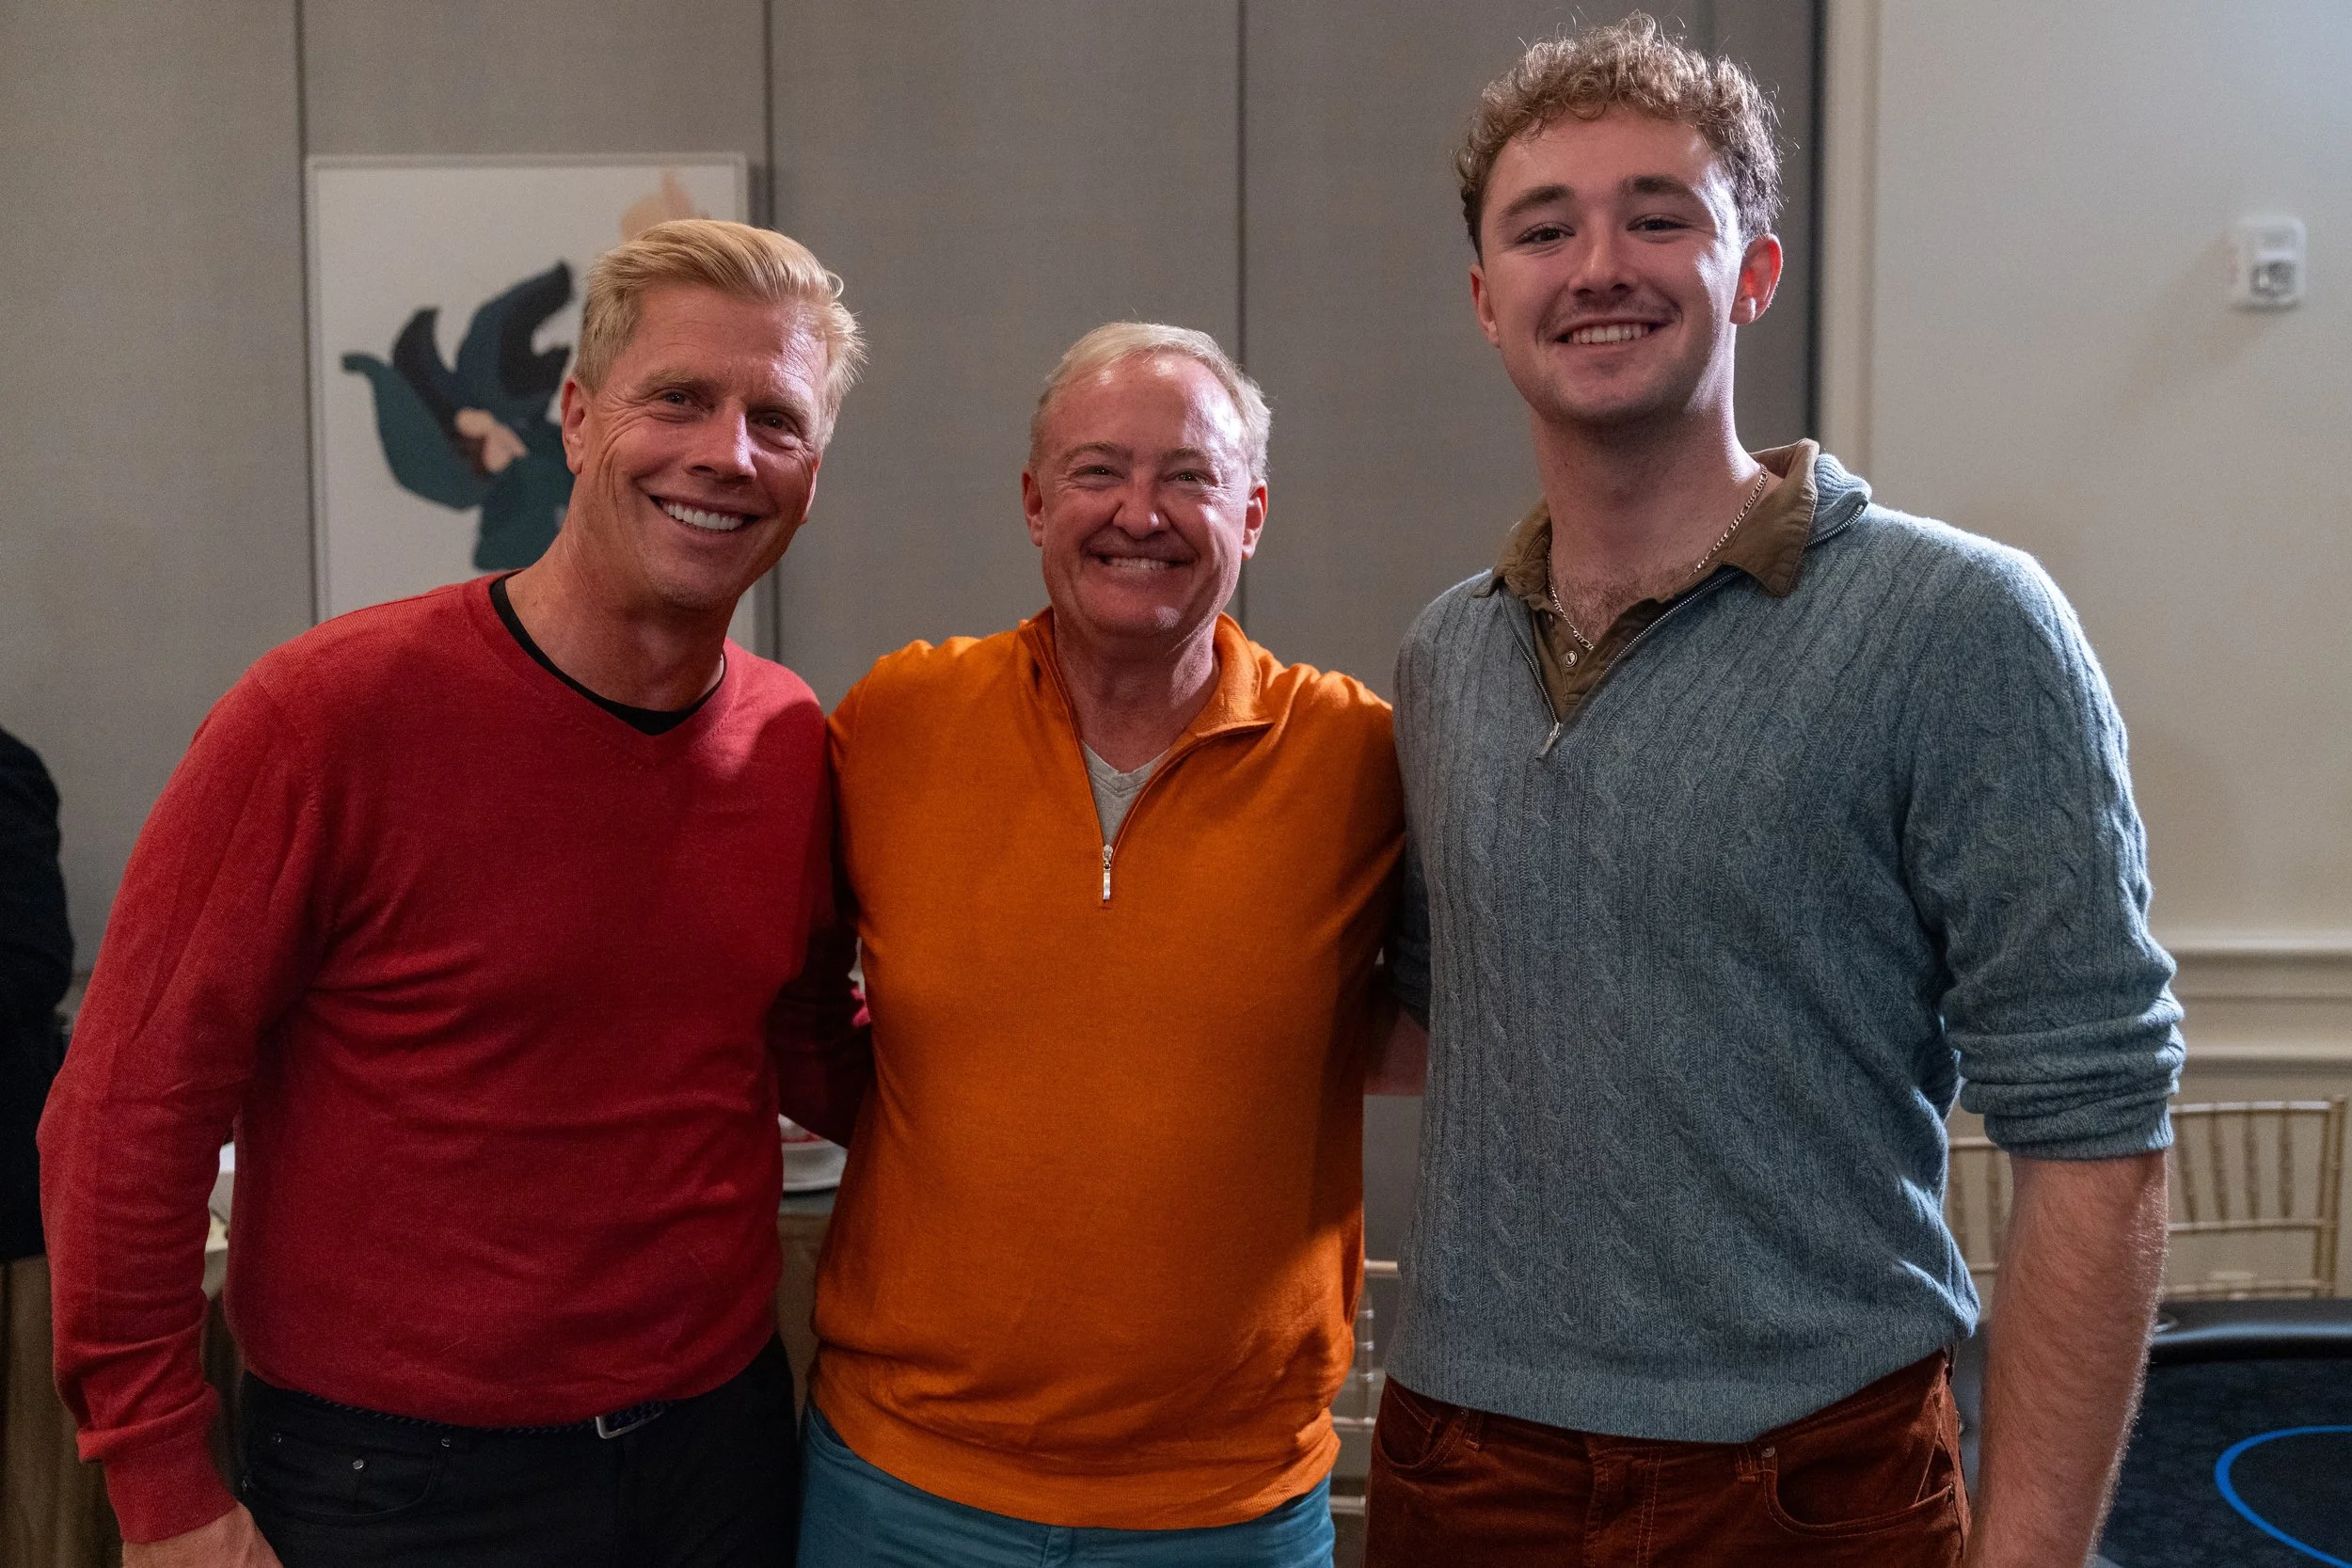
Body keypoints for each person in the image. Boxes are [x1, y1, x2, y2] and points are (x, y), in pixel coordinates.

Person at [1370, 18, 2183, 1568]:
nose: (1599, 260)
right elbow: (1435, 1018)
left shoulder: (1959, 624)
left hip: (1815, 1482)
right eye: (1546, 227)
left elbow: (2098, 1124)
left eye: (1660, 216)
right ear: (1488, 302)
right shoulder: (1446, 655)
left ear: (1753, 272)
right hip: (1466, 1467)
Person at [40, 218, 869, 1568]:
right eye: (679, 398)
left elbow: (805, 1043)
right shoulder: (323, 716)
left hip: (720, 1450)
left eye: (777, 418)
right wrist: (161, 1487)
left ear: (813, 473)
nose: (728, 452)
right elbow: (127, 1106)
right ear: (577, 417)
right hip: (394, 1485)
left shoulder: (789, 742)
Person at [786, 322, 1421, 1566]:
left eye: (1189, 475)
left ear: (1251, 515)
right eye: (1096, 472)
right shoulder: (899, 721)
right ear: (1034, 503)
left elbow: (1438, 1011)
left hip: (1228, 1507)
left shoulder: (1360, 758)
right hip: (902, 1486)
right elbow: (798, 1005)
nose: (1141, 512)